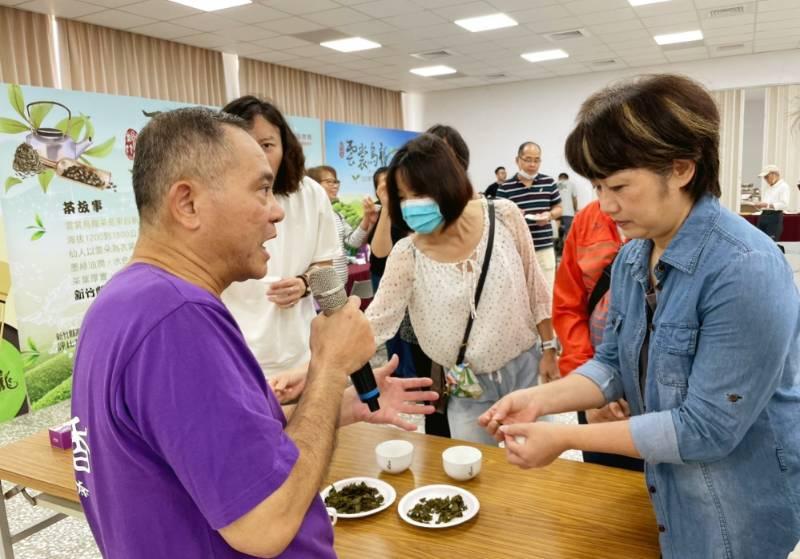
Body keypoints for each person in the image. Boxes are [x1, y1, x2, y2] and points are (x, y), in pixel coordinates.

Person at [70, 107, 437, 558]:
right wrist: (328, 366)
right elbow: (265, 523)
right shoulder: (177, 319)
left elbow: (220, 446)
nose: (277, 212)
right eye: (262, 189)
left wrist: (339, 405)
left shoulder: (126, 301)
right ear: (187, 203)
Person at [480, 74, 800, 558]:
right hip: (670, 491)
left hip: (736, 506)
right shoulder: (634, 257)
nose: (606, 206)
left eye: (620, 186)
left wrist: (564, 436)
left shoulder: (744, 266)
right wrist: (539, 400)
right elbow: (612, 363)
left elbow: (707, 428)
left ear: (681, 169)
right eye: (597, 186)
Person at [366, 133, 558, 445]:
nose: (411, 205)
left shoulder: (504, 216)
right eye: (402, 197)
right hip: (466, 386)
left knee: (538, 467)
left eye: (419, 193)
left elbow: (535, 287)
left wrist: (550, 348)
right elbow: (375, 323)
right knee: (475, 471)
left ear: (447, 184)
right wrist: (317, 370)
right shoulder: (407, 253)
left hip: (524, 370)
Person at [220, 96, 340, 378]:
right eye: (244, 144)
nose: (257, 155)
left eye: (267, 145)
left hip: (298, 352)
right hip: (234, 356)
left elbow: (327, 268)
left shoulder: (309, 194)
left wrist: (304, 284)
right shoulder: (215, 199)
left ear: (284, 146)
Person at [552, 200, 642, 471]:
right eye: (600, 184)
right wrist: (589, 388)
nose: (610, 199)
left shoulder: (674, 223)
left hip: (659, 396)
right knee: (602, 481)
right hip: (594, 375)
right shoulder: (587, 220)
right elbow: (568, 306)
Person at [495, 142, 563, 286]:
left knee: (547, 291)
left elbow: (558, 208)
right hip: (517, 250)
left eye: (536, 160)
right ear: (517, 160)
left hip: (544, 247)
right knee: (522, 294)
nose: (532, 164)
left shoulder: (548, 182)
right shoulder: (505, 188)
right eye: (527, 159)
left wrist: (549, 215)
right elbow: (498, 218)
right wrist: (512, 214)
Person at [306, 165, 378, 286]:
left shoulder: (337, 216)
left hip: (340, 283)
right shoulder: (308, 216)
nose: (335, 186)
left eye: (336, 181)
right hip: (317, 287)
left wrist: (366, 218)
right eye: (329, 182)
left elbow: (352, 243)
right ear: (314, 185)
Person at [756, 164, 790, 243]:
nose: (765, 179)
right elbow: (765, 203)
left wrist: (767, 205)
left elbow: (784, 204)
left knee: (771, 242)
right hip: (763, 215)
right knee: (759, 241)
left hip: (775, 216)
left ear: (774, 174)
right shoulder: (768, 187)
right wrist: (759, 206)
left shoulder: (783, 186)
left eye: (767, 176)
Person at [556, 172, 578, 239]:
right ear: (567, 178)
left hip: (556, 211)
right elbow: (574, 199)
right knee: (568, 232)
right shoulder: (571, 184)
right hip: (568, 212)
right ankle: (567, 247)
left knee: (558, 231)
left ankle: (559, 246)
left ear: (559, 178)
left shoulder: (555, 184)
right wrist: (575, 209)